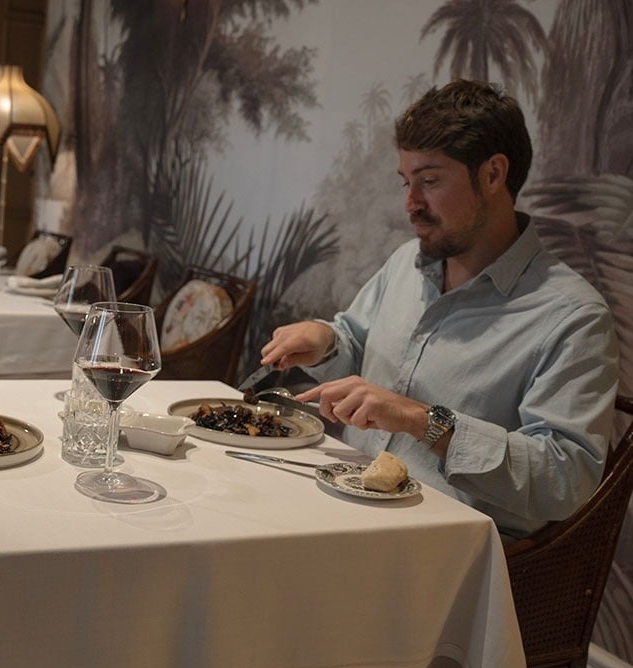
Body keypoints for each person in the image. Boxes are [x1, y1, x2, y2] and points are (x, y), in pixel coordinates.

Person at [258, 79, 618, 539]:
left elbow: (565, 480)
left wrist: (423, 422)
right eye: (407, 182)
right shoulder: (405, 264)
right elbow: (356, 343)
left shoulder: (572, 317)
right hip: (340, 509)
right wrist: (327, 341)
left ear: (493, 175)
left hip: (442, 554)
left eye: (429, 181)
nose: (411, 203)